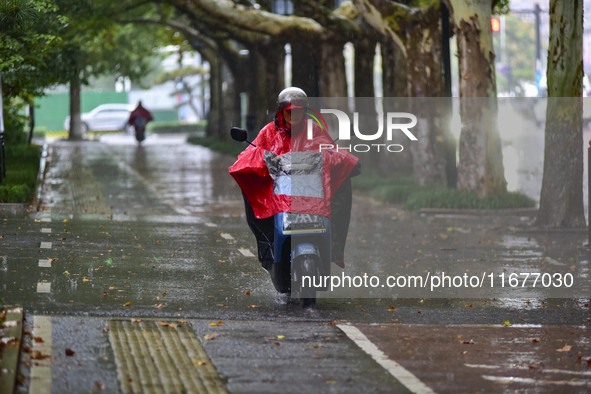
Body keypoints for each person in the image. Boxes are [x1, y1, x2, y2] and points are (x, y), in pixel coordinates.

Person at [229, 87, 359, 271]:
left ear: (304, 111)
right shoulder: (268, 132)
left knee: (344, 183)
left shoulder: (314, 129)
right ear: (281, 112)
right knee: (249, 187)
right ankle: (268, 245)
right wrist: (262, 162)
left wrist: (338, 159)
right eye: (289, 112)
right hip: (278, 195)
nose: (293, 116)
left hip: (312, 193)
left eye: (297, 112)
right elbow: (250, 153)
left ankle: (333, 247)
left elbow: (330, 149)